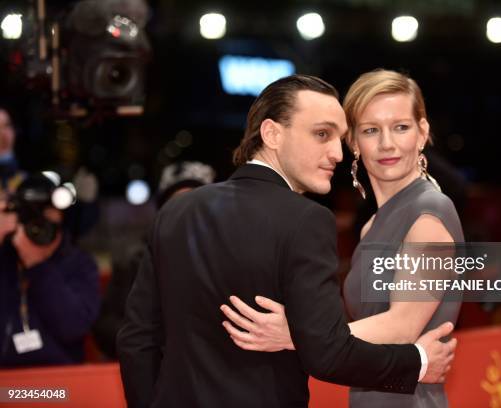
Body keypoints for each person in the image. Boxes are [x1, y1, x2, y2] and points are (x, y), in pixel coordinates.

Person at [117, 74, 456, 407]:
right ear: (272, 134)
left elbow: (137, 339)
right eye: (321, 134)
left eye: (339, 137)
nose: (337, 153)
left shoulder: (176, 212)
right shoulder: (307, 219)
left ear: (423, 133)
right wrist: (419, 363)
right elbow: (327, 352)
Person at [221, 70, 464, 407]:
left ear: (422, 133)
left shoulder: (429, 213)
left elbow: (403, 325)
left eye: (401, 127)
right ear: (353, 142)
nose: (387, 144)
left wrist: (296, 334)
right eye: (370, 130)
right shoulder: (371, 225)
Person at [92, 161, 215, 358]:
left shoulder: (226, 258)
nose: (185, 211)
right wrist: (148, 343)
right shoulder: (133, 260)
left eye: (195, 201)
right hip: (153, 371)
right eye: (177, 201)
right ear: (162, 209)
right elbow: (105, 327)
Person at [0, 173, 100, 366]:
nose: (38, 227)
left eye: (47, 215)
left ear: (62, 218)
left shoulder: (79, 264)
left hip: (59, 384)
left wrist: (37, 266)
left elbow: (73, 327)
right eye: (29, 216)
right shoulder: (4, 258)